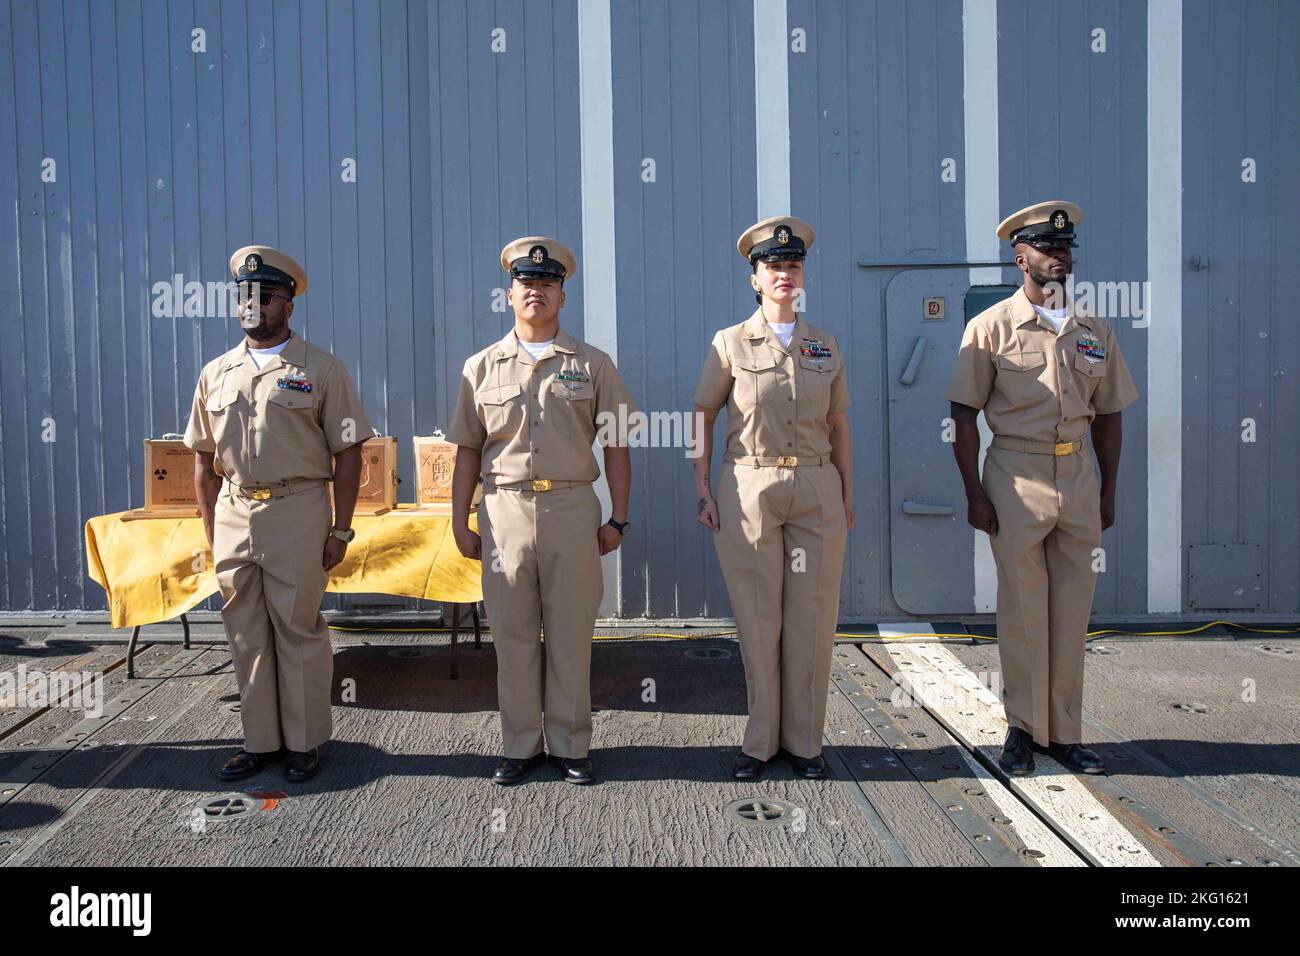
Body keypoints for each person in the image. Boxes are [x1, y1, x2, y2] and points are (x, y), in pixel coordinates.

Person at [947, 201, 1138, 776]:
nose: (1059, 256)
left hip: (1078, 476)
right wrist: (975, 495)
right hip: (1016, 476)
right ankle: (1023, 729)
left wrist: (1107, 490)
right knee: (1024, 608)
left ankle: (1065, 731)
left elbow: (1109, 415)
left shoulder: (1094, 330)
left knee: (1072, 610)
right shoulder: (990, 328)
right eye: (1046, 248)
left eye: (1064, 249)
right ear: (1019, 256)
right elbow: (962, 416)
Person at [447, 236, 637, 786]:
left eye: (548, 283)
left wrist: (618, 517)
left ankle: (572, 744)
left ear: (562, 295)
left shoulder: (593, 364)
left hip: (573, 509)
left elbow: (618, 443)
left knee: (572, 632)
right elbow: (466, 451)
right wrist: (460, 521)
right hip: (503, 511)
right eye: (527, 283)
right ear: (509, 294)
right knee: (511, 633)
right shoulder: (480, 367)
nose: (537, 291)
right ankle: (520, 745)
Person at [184, 245, 372, 782]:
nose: (252, 306)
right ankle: (261, 741)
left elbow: (349, 451)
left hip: (298, 509)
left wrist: (340, 526)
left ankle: (306, 742)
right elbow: (202, 459)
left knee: (297, 628)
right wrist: (212, 528)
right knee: (244, 631)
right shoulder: (216, 372)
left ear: (288, 305)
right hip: (235, 510)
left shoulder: (321, 368)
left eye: (264, 296)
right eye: (243, 295)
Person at [692, 216, 855, 781]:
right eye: (773, 266)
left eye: (793, 264)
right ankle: (761, 741)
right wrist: (702, 488)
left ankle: (805, 742)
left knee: (811, 619)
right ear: (754, 279)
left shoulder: (823, 344)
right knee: (760, 619)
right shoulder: (730, 343)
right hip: (750, 486)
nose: (784, 274)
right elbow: (702, 415)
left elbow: (838, 425)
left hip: (815, 485)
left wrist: (846, 495)